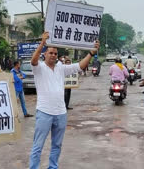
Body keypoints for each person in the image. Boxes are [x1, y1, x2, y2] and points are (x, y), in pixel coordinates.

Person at [29, 32, 99, 169]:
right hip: (44, 112)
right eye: (50, 53)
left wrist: (91, 53)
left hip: (61, 113)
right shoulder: (39, 68)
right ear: (45, 54)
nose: (53, 55)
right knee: (38, 145)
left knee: (57, 145)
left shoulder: (61, 68)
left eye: (55, 53)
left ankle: (53, 167)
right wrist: (42, 43)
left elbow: (79, 66)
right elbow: (33, 60)